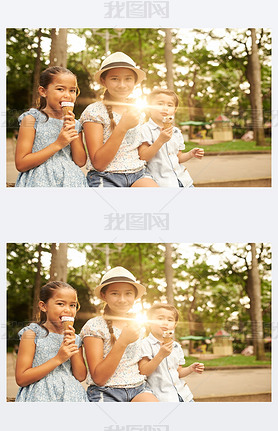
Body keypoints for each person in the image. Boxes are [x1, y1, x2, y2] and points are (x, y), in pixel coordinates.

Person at [80, 266, 159, 402]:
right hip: (105, 391)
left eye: (128, 293)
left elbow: (141, 365)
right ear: (104, 296)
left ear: (134, 296)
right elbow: (99, 378)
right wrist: (122, 342)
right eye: (115, 293)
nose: (122, 299)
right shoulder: (94, 326)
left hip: (138, 388)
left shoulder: (137, 326)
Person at [80, 52, 158, 187]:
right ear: (104, 81)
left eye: (128, 79)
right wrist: (122, 127)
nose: (122, 85)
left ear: (134, 82)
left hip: (138, 173)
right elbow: (99, 164)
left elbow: (141, 151)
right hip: (106, 176)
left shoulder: (137, 111)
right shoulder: (94, 111)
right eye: (115, 79)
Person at [15, 281, 88, 402]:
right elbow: (21, 379)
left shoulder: (75, 338)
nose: (68, 310)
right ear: (43, 306)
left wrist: (71, 343)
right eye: (60, 304)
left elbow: (80, 376)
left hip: (71, 397)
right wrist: (58, 359)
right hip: (39, 396)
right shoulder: (32, 334)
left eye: (72, 305)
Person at [15, 66, 88, 187]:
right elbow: (21, 164)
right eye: (60, 89)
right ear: (43, 91)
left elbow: (80, 161)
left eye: (72, 90)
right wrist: (58, 144)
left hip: (71, 182)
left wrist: (71, 128)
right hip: (39, 181)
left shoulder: (75, 124)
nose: (67, 95)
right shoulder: (32, 119)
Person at [138, 89, 204, 187]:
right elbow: (143, 157)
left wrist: (190, 154)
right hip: (162, 183)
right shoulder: (145, 129)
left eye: (170, 105)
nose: (165, 108)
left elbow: (178, 157)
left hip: (184, 181)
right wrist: (160, 140)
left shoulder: (176, 132)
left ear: (175, 110)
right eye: (160, 104)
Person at [139, 303, 204, 402]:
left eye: (170, 320)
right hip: (162, 397)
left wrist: (191, 368)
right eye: (160, 318)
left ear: (175, 324)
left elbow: (178, 372)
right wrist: (160, 355)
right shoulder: (145, 344)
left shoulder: (176, 346)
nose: (165, 323)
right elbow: (143, 371)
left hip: (184, 395)